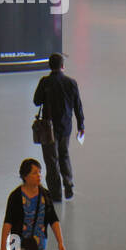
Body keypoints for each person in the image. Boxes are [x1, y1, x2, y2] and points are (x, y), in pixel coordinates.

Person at [32, 52, 85, 201]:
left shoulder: (45, 82)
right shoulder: (71, 82)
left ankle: (56, 193)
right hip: (65, 127)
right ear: (63, 66)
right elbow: (78, 106)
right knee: (64, 155)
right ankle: (68, 185)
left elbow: (36, 101)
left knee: (51, 160)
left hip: (49, 129)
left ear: (50, 66)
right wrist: (81, 124)